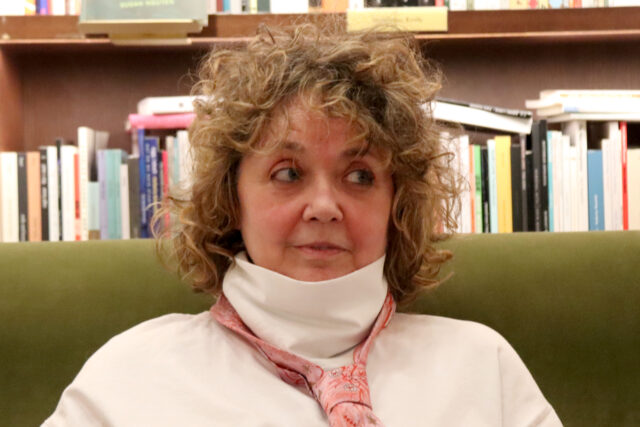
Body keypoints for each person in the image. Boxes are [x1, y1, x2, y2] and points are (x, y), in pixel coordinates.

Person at [44, 23, 562, 426]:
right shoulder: (133, 374)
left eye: (359, 176)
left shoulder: (482, 365)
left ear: (397, 204)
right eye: (287, 173)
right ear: (232, 198)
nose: (324, 206)